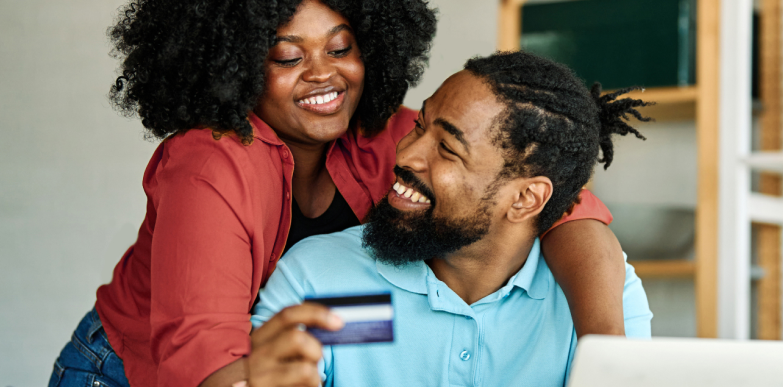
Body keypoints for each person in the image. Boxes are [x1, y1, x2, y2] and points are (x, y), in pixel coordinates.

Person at [49, 1, 629, 387]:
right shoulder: (208, 166)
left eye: (340, 47)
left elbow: (561, 205)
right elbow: (201, 356)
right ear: (233, 64)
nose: (323, 73)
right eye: (287, 56)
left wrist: (608, 356)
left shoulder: (392, 136)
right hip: (131, 369)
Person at [249, 51, 653, 387]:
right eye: (419, 126)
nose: (405, 155)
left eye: (447, 148)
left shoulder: (598, 298)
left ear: (526, 198)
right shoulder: (318, 279)